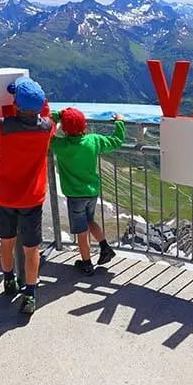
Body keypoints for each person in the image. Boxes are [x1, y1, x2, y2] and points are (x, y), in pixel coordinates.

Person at [0, 76, 54, 314]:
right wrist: (38, 97)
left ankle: (8, 279)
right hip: (32, 199)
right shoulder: (47, 129)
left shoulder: (4, 127)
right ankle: (30, 294)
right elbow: (46, 113)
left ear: (16, 105)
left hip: (6, 197)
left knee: (6, 241)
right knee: (31, 249)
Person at [50, 107, 124, 275]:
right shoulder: (94, 140)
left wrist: (57, 116)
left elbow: (47, 129)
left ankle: (87, 264)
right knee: (90, 219)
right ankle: (105, 247)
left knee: (81, 233)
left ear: (65, 128)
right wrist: (119, 122)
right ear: (84, 125)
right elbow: (117, 141)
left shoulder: (60, 145)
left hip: (75, 196)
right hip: (92, 191)